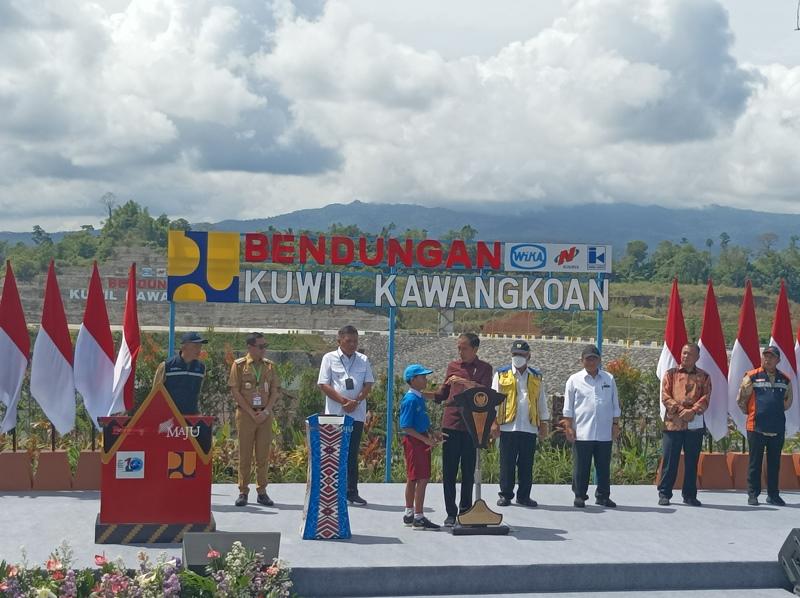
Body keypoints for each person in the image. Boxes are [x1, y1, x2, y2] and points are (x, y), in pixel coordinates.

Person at [426, 332, 493, 526]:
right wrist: (421, 393)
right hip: (452, 423)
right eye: (458, 348)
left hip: (472, 425)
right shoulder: (452, 366)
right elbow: (442, 393)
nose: (460, 352)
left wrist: (464, 382)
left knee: (468, 471)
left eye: (464, 348)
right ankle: (450, 512)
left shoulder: (485, 368)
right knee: (449, 470)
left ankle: (465, 510)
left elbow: (485, 392)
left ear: (475, 349)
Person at [318, 325, 375, 505]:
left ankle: (352, 491)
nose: (352, 344)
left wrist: (355, 401)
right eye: (348, 341)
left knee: (352, 453)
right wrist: (344, 401)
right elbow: (324, 384)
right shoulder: (329, 358)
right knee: (333, 454)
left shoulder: (363, 359)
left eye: (355, 341)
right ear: (339, 341)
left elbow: (368, 384)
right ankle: (332, 492)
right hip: (335, 414)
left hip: (356, 415)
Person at [490, 339, 550, 508]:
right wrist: (493, 422)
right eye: (515, 354)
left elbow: (541, 400)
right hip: (508, 425)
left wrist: (544, 422)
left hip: (529, 426)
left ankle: (524, 496)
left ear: (528, 356)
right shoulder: (501, 374)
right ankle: (505, 495)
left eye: (521, 354)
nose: (518, 357)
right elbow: (493, 399)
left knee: (526, 464)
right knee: (507, 463)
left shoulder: (536, 376)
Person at [563, 344, 620, 508]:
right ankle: (580, 495)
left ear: (599, 360)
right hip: (582, 431)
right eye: (588, 359)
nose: (591, 362)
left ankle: (603, 496)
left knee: (603, 467)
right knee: (581, 467)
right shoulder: (574, 380)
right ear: (582, 361)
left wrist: (615, 424)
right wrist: (568, 427)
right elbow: (568, 407)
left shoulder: (609, 379)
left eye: (594, 359)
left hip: (604, 431)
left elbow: (615, 404)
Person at [229, 332, 281, 507]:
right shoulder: (239, 365)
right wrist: (252, 413)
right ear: (250, 347)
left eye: (265, 346)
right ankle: (243, 491)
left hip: (265, 414)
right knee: (245, 454)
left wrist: (266, 411)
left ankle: (262, 491)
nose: (264, 350)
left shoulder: (270, 366)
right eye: (260, 346)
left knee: (263, 455)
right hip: (246, 415)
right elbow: (235, 391)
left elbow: (275, 391)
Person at [737, 345, 793, 506]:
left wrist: (773, 411)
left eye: (771, 357)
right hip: (756, 426)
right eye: (765, 356)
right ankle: (753, 494)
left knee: (774, 464)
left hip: (777, 427)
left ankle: (773, 495)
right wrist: (755, 412)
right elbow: (741, 400)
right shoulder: (752, 376)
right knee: (755, 463)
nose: (767, 359)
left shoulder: (785, 379)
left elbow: (787, 402)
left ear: (778, 360)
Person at [657, 342, 710, 507]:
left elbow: (706, 397)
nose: (686, 356)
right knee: (670, 461)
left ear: (697, 357)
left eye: (690, 354)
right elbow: (665, 395)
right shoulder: (671, 374)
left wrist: (692, 411)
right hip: (673, 424)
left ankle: (690, 495)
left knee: (691, 462)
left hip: (694, 425)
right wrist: (681, 410)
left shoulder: (704, 376)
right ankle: (664, 493)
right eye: (684, 353)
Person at [399, 364, 442, 531]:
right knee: (421, 478)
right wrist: (425, 440)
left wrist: (432, 432)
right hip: (414, 442)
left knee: (413, 477)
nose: (425, 380)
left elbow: (422, 420)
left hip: (419, 439)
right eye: (422, 377)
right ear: (413, 380)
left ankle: (409, 513)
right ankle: (418, 516)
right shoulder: (410, 400)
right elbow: (406, 426)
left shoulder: (419, 398)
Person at [152, 331, 207, 415]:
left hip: (192, 416)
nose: (199, 350)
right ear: (184, 346)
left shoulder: (201, 368)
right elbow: (155, 392)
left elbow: (199, 393)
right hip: (169, 416)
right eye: (196, 346)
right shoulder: (167, 366)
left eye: (200, 346)